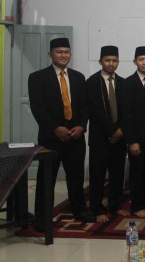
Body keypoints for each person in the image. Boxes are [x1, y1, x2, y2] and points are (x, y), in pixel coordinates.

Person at [28, 37, 95, 231]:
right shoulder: (38, 77)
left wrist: (81, 126)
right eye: (59, 52)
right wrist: (55, 128)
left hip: (75, 136)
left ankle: (79, 210)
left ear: (70, 54)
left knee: (76, 177)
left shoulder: (78, 77)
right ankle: (42, 217)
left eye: (66, 52)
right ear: (50, 54)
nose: (63, 55)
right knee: (46, 179)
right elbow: (38, 108)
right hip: (51, 138)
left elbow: (84, 106)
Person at [86, 45, 127, 222]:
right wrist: (112, 131)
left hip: (120, 136)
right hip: (100, 137)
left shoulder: (123, 83)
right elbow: (95, 111)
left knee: (117, 173)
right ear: (100, 61)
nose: (111, 64)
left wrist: (120, 130)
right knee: (98, 174)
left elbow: (127, 110)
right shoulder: (92, 82)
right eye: (107, 60)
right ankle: (97, 208)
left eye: (114, 60)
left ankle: (115, 205)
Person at [122, 46, 145, 218]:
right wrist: (132, 140)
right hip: (137, 138)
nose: (144, 62)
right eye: (141, 59)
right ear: (135, 61)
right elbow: (126, 115)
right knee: (137, 173)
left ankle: (144, 201)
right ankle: (136, 206)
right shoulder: (128, 83)